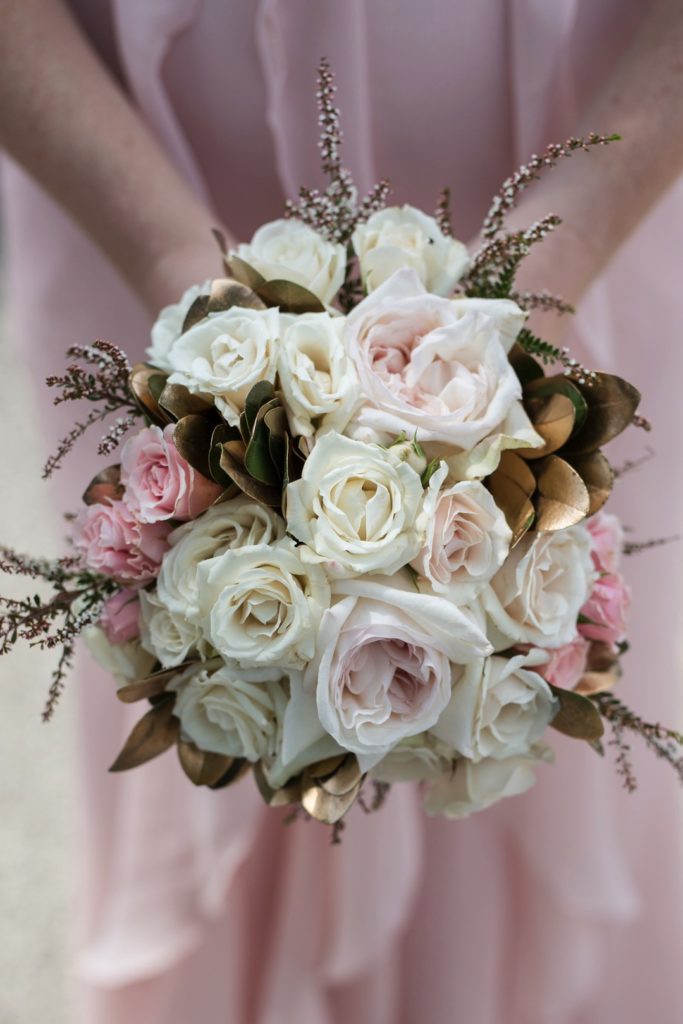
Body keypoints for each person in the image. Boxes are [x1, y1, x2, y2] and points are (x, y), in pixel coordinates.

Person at [1, 2, 683, 1021]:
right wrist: (179, 288)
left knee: (557, 717)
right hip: (130, 173)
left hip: (588, 182)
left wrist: (549, 267)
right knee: (192, 714)